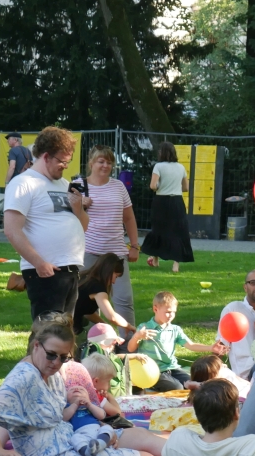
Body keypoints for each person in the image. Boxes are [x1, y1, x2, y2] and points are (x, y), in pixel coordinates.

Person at [0, 315, 165, 456]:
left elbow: (65, 414)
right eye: (51, 355)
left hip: (75, 439)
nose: (56, 362)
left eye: (63, 357)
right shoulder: (23, 378)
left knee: (143, 438)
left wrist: (101, 431)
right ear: (36, 345)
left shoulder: (53, 373)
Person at [4, 126, 88, 319]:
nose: (65, 166)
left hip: (71, 268)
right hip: (46, 271)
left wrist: (78, 208)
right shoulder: (23, 183)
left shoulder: (63, 184)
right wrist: (39, 263)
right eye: (62, 161)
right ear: (46, 156)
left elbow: (82, 227)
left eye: (68, 161)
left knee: (63, 334)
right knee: (47, 332)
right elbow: (11, 230)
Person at [76, 145, 139, 335]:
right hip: (89, 250)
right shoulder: (79, 185)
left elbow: (128, 217)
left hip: (116, 253)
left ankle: (128, 345)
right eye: (101, 161)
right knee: (86, 300)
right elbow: (67, 217)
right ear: (91, 163)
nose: (105, 166)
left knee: (124, 299)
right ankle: (96, 341)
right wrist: (79, 204)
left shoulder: (118, 186)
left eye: (109, 162)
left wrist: (135, 245)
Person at [127, 291, 228, 391]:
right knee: (177, 387)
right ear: (155, 309)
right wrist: (137, 336)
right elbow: (130, 348)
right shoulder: (145, 328)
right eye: (168, 312)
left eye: (173, 312)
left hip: (172, 368)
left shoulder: (175, 329)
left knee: (193, 383)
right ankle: (149, 385)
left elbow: (191, 345)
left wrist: (210, 347)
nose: (171, 315)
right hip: (153, 371)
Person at [141, 141, 193, 274]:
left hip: (161, 201)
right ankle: (176, 265)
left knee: (159, 229)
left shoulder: (158, 166)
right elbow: (186, 188)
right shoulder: (181, 167)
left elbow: (153, 186)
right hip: (176, 201)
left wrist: (161, 186)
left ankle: (156, 260)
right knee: (178, 231)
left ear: (161, 153)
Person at [73, 253, 136, 336]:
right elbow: (112, 316)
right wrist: (129, 326)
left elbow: (87, 313)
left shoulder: (85, 278)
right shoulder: (98, 289)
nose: (114, 282)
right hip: (71, 328)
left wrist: (106, 326)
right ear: (108, 270)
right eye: (116, 276)